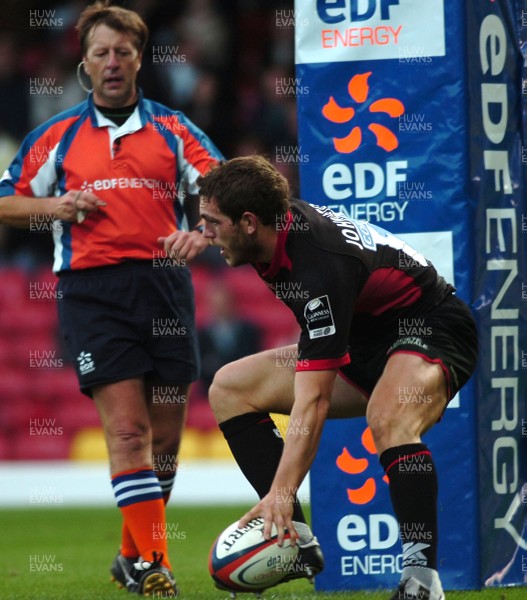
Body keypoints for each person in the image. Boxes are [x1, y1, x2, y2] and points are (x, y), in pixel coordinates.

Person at [0, 2, 223, 596]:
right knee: (128, 433)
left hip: (164, 286)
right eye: (101, 52)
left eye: (123, 51)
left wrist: (200, 232)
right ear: (85, 65)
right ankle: (157, 564)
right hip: (92, 292)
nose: (113, 62)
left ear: (140, 59)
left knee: (168, 441)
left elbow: (225, 185)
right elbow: (6, 200)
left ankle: (131, 555)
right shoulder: (57, 135)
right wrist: (55, 206)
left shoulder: (173, 129)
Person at [183, 155, 478, 600]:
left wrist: (281, 489)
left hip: (432, 327)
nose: (205, 233)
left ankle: (421, 581)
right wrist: (206, 233)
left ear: (247, 222)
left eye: (210, 222)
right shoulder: (269, 227)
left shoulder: (316, 265)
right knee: (229, 387)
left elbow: (313, 403)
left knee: (389, 418)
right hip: (364, 340)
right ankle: (295, 542)